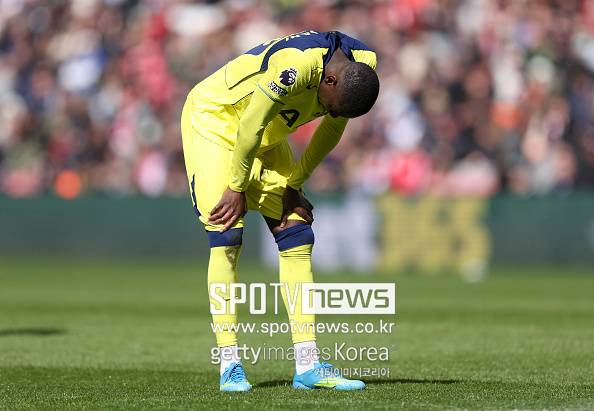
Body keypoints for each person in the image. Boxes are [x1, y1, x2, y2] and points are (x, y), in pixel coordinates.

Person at [180, 30, 379, 392]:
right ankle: (229, 365)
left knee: (297, 232)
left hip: (266, 133)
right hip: (216, 122)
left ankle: (308, 364)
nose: (331, 113)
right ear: (329, 81)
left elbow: (330, 130)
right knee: (227, 234)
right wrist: (236, 186)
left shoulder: (362, 66)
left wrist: (294, 185)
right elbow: (249, 124)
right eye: (331, 107)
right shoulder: (296, 67)